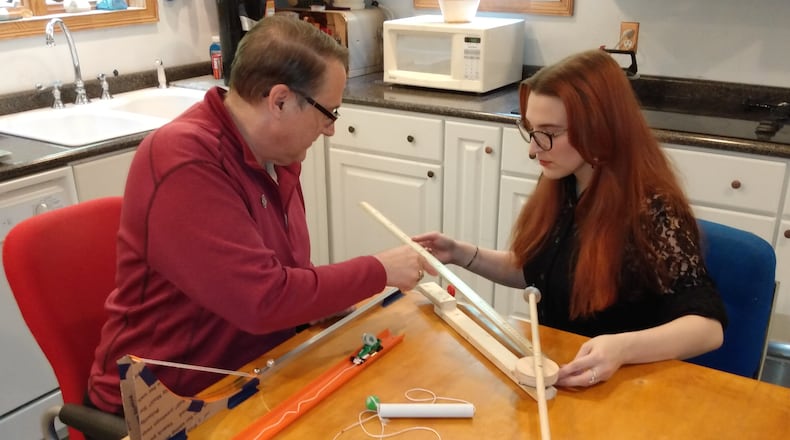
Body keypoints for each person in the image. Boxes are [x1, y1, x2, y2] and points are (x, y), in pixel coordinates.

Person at [86, 16, 435, 416]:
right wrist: (378, 270)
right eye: (329, 112)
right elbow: (263, 301)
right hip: (171, 404)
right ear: (280, 100)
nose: (330, 130)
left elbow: (284, 275)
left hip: (252, 374)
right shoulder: (184, 159)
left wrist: (323, 301)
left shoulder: (278, 157)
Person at [413, 49, 727, 388]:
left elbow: (707, 330)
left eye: (549, 132)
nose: (534, 149)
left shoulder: (653, 210)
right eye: (531, 130)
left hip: (625, 388)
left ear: (600, 127)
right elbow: (541, 272)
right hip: (564, 375)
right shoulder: (564, 181)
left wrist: (622, 348)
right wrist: (461, 253)